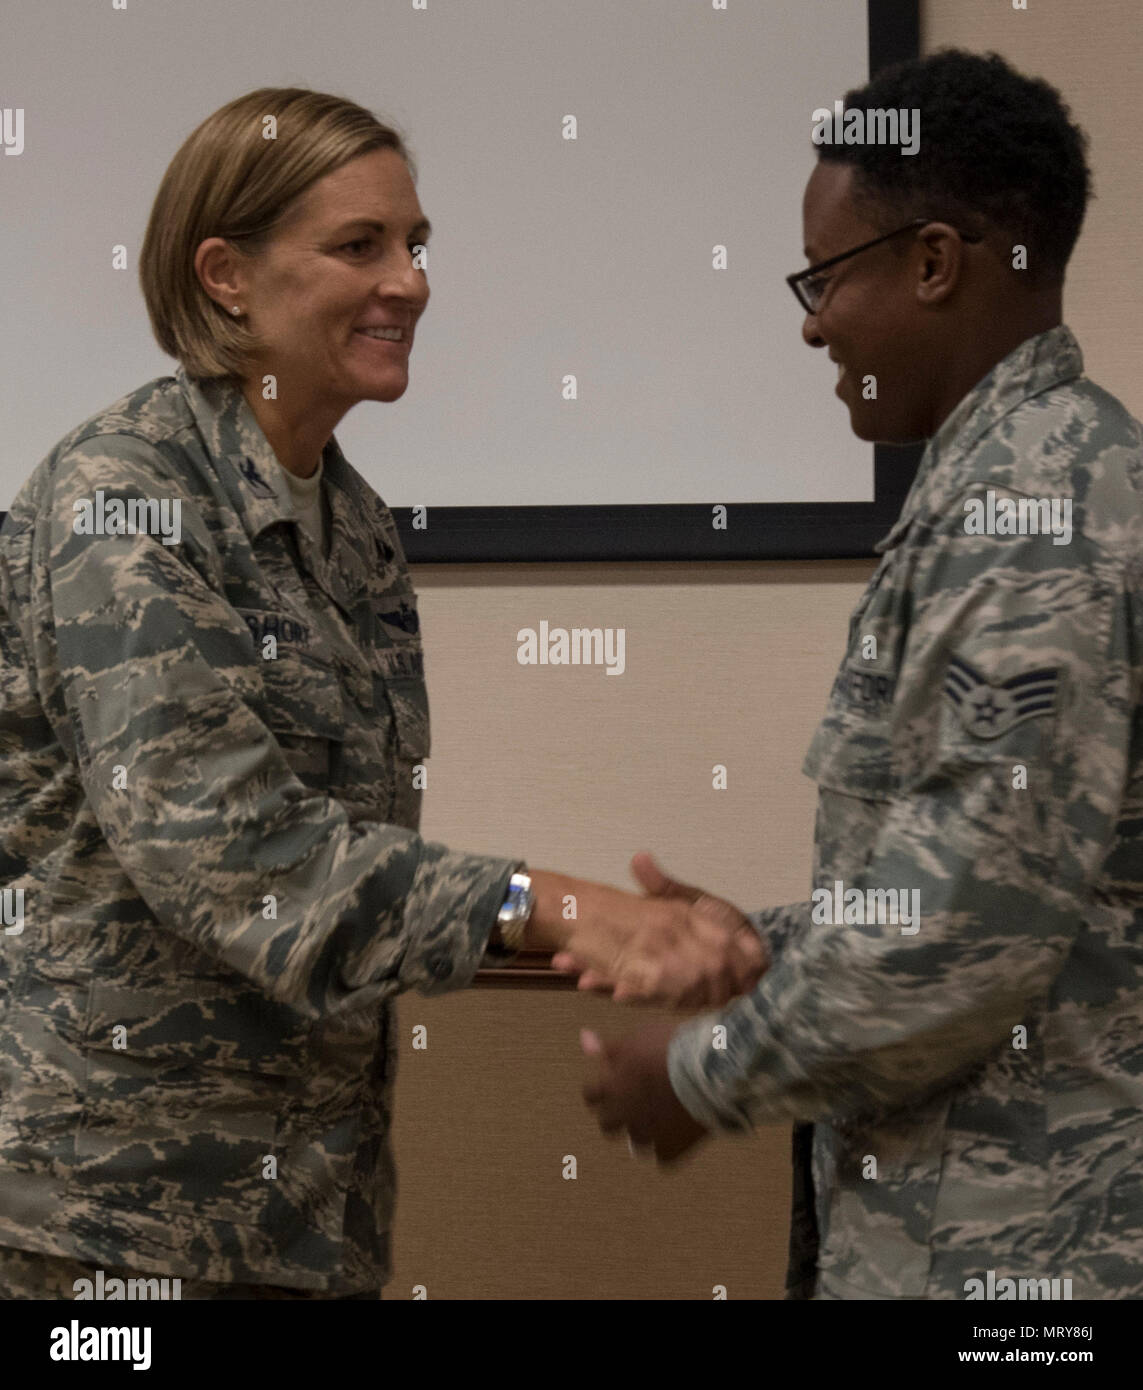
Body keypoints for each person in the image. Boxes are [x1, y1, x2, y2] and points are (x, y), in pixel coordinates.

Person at [0, 87, 765, 1301]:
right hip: (114, 1226)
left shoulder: (354, 525)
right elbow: (240, 857)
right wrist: (549, 905)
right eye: (360, 245)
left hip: (312, 1209)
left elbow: (357, 857)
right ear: (226, 276)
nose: (409, 281)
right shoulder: (125, 498)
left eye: (416, 245)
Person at [579, 49, 1143, 1300]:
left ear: (935, 263)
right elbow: (986, 866)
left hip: (1030, 1257)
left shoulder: (1031, 510)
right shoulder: (1006, 484)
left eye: (825, 277)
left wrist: (696, 1071)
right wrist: (764, 939)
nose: (811, 320)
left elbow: (975, 922)